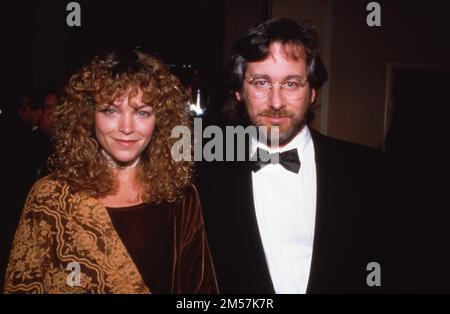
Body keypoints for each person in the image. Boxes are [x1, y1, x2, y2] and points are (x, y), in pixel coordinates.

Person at [198, 18, 392, 293]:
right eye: (261, 82)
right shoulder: (203, 176)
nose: (276, 102)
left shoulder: (369, 171)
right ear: (240, 92)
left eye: (291, 84)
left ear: (312, 92)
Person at [3, 49, 218, 294]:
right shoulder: (50, 198)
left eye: (142, 112)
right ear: (88, 115)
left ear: (161, 121)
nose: (126, 127)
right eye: (111, 110)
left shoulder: (180, 199)